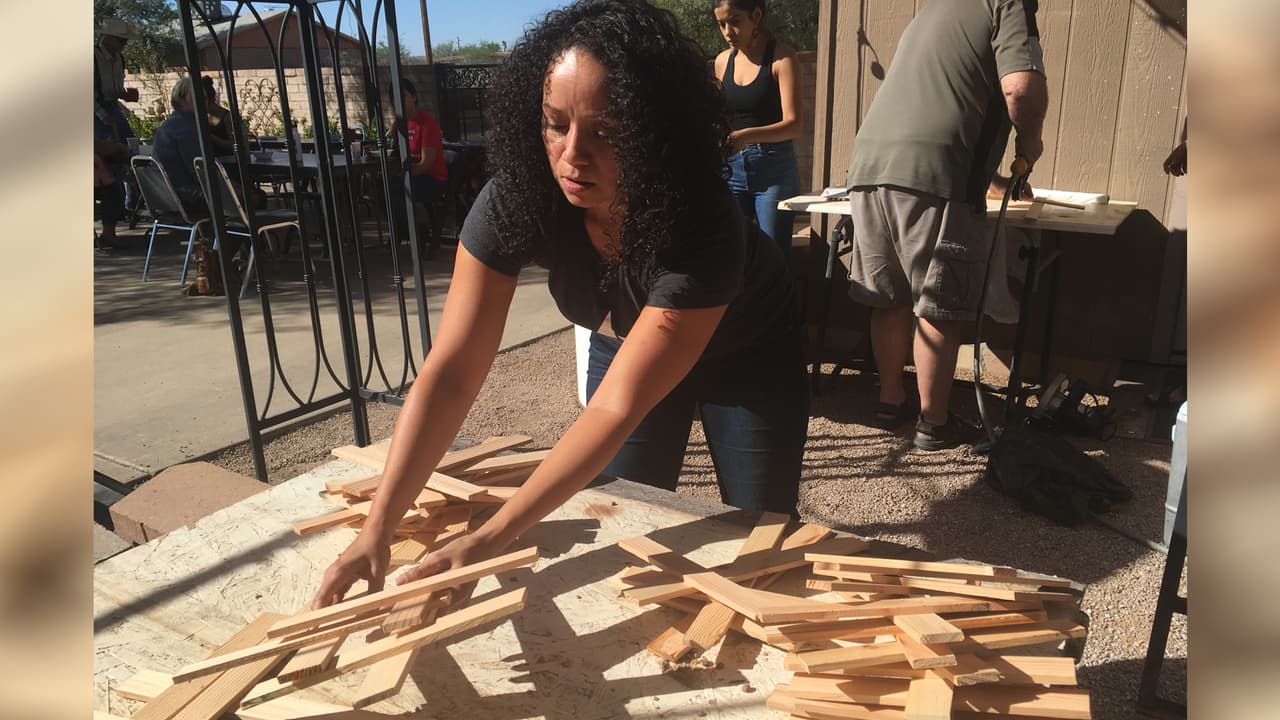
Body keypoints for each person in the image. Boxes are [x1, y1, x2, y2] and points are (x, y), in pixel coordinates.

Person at [313, 0, 807, 607]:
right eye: (555, 124)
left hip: (749, 354)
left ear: (657, 132)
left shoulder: (704, 222)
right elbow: (453, 368)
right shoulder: (518, 198)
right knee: (626, 512)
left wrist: (487, 539)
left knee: (758, 538)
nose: (573, 154)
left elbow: (616, 407)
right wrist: (377, 528)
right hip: (626, 343)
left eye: (607, 132)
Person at [843, 0, 1047, 451]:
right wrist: (1030, 141)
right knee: (937, 304)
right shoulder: (1009, 3)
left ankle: (890, 401)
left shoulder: (938, 10)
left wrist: (993, 180)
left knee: (890, 296)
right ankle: (934, 423)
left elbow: (937, 104)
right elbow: (1020, 90)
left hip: (870, 167)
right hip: (935, 176)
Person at [712, 0, 803, 258]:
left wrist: (746, 136)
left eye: (735, 21)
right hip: (732, 170)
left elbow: (794, 124)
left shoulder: (782, 58)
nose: (728, 31)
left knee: (773, 257)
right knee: (731, 257)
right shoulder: (722, 61)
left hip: (773, 171)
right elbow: (719, 117)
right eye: (721, 24)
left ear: (756, 15)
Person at [94, 17, 141, 249]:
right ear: (108, 37)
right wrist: (104, 117)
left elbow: (113, 90)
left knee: (131, 151)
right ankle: (110, 225)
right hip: (95, 111)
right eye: (121, 40)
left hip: (111, 108)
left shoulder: (118, 59)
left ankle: (130, 204)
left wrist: (124, 94)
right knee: (110, 159)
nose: (124, 44)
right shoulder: (92, 57)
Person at [389, 78, 449, 256]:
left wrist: (403, 174)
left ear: (414, 97)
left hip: (432, 178)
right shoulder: (397, 124)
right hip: (408, 175)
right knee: (381, 189)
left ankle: (419, 233)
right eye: (394, 97)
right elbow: (395, 154)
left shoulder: (427, 123)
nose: (398, 100)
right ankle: (407, 231)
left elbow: (426, 164)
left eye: (403, 95)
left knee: (398, 189)